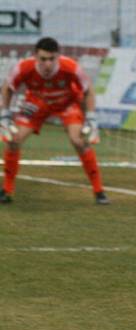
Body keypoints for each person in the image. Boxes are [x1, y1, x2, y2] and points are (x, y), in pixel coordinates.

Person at [0, 37, 107, 205]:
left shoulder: (71, 67)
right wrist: (4, 114)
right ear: (35, 56)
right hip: (36, 103)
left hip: (67, 103)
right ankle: (6, 190)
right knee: (14, 139)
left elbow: (89, 90)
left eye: (52, 59)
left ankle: (99, 191)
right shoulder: (23, 67)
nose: (48, 64)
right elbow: (7, 88)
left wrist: (91, 117)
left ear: (58, 56)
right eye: (43, 59)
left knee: (78, 140)